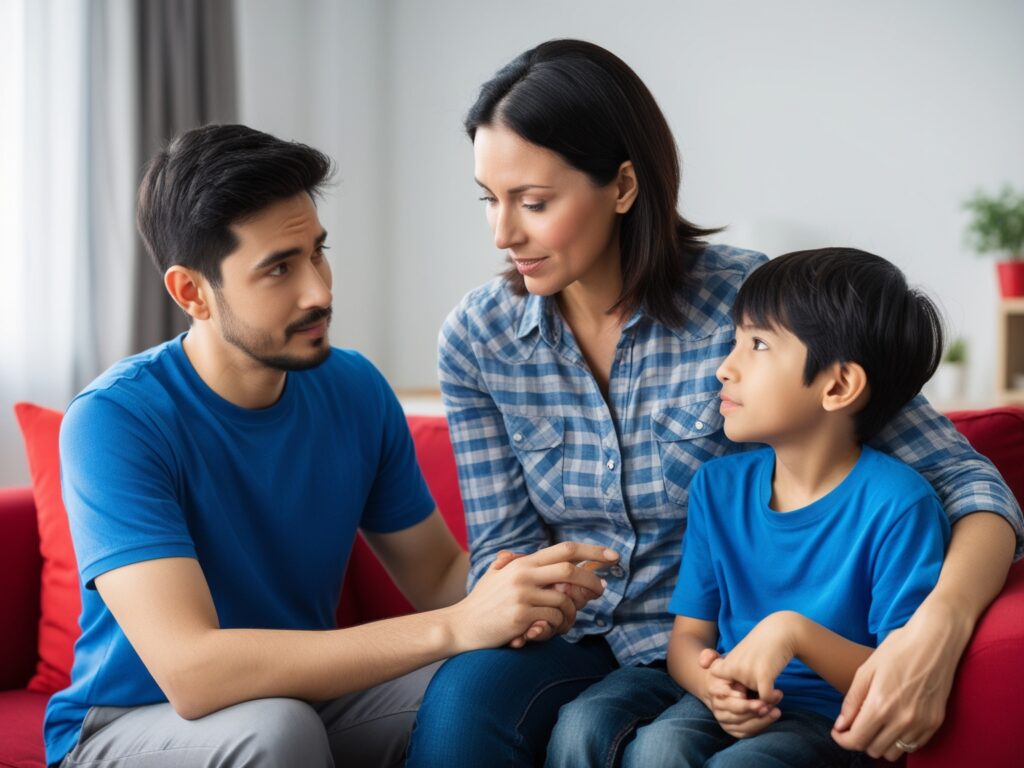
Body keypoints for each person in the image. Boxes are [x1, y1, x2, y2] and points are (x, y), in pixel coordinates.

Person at [406, 39, 1023, 767]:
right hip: (573, 642)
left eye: (534, 202)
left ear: (624, 186)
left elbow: (966, 482)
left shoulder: (750, 308)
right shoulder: (479, 339)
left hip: (729, 650)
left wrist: (939, 626)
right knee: (458, 712)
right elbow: (501, 555)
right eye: (489, 199)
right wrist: (510, 590)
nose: (503, 233)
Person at [43, 123, 618, 768]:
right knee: (277, 732)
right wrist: (453, 627)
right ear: (191, 292)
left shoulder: (352, 387)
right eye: (279, 269)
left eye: (317, 252)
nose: (319, 290)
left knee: (490, 689)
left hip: (300, 699)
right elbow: (193, 671)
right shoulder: (115, 421)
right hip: (130, 723)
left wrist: (521, 591)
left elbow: (435, 576)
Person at [549, 247, 951, 768]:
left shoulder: (900, 505)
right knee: (641, 741)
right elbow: (689, 638)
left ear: (838, 385)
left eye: (757, 344)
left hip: (827, 721)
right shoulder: (718, 488)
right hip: (722, 696)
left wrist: (794, 632)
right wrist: (712, 685)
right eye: (735, 340)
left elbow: (899, 673)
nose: (724, 368)